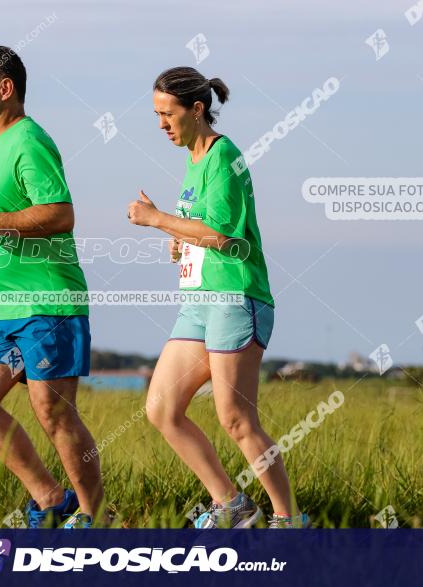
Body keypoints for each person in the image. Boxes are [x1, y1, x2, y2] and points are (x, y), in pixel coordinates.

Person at [127, 66, 308, 528]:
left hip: (235, 297)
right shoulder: (193, 160)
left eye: (168, 114)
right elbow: (201, 231)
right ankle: (231, 504)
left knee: (235, 419)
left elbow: (223, 235)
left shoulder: (224, 156)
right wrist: (177, 238)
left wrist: (158, 220)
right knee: (161, 409)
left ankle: (289, 523)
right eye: (156, 116)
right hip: (198, 300)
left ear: (197, 109)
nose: (162, 125)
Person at [0, 46, 104, 529]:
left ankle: (94, 520)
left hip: (46, 303)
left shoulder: (29, 140)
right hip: (2, 309)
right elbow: (4, 221)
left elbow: (60, 214)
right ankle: (52, 500)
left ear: (4, 88)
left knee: (53, 411)